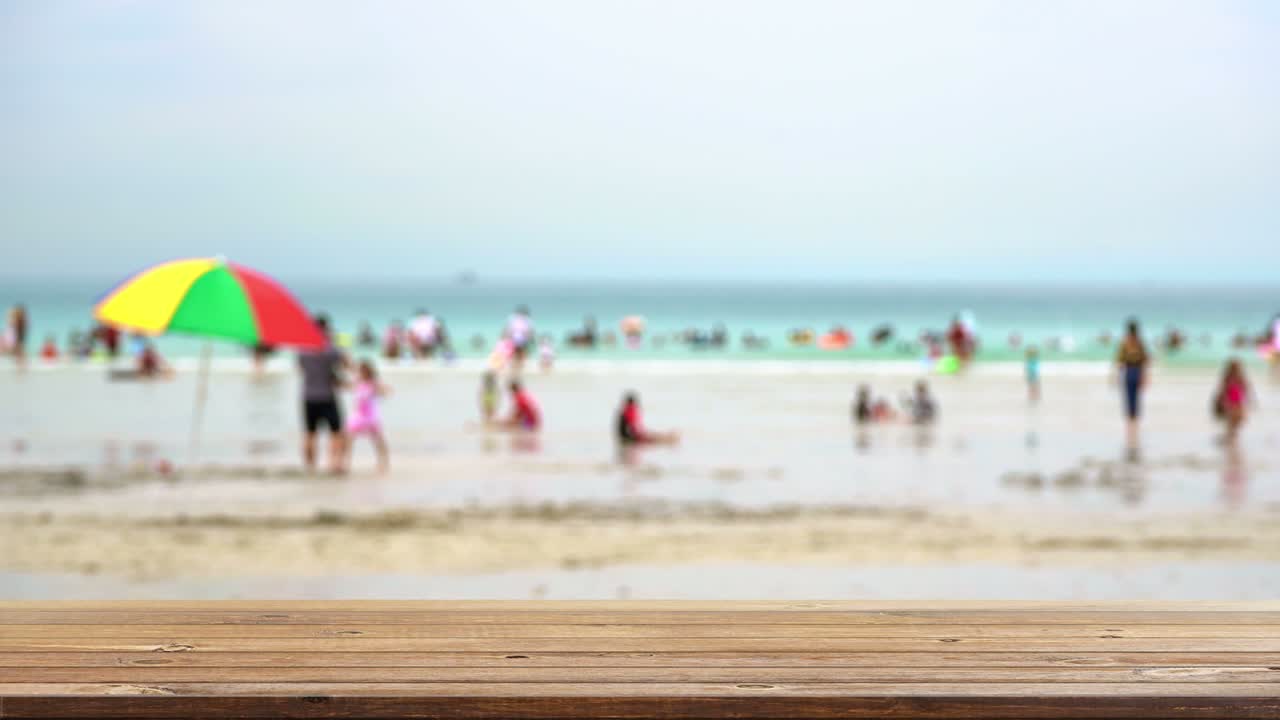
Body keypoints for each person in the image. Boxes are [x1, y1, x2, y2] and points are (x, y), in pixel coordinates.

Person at [299, 314, 349, 473]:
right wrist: (336, 342)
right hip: (327, 396)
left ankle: (310, 466)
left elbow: (301, 369)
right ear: (326, 329)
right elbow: (346, 364)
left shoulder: (303, 349)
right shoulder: (330, 349)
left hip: (308, 395)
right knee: (336, 432)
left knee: (310, 433)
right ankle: (334, 464)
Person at [347, 360, 390, 473]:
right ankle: (346, 462)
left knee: (378, 439)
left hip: (371, 415)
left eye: (363, 371)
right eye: (361, 371)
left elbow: (386, 391)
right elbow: (351, 391)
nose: (361, 373)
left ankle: (383, 462)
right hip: (359, 415)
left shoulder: (373, 383)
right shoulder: (357, 382)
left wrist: (380, 392)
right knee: (350, 438)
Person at [1115, 319, 1150, 448]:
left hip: (1132, 371)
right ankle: (1132, 429)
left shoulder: (1129, 343)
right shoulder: (1134, 343)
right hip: (1133, 371)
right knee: (1132, 400)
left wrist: (1117, 376)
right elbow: (1144, 361)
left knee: (1132, 400)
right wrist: (1145, 377)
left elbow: (1120, 362)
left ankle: (1132, 429)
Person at [1213, 358, 1251, 445]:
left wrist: (1249, 400)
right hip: (1229, 403)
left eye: (1237, 367)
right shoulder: (1227, 378)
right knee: (1231, 420)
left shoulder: (1240, 377)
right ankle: (1229, 437)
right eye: (1234, 367)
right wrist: (1219, 400)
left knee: (1239, 419)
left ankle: (1230, 436)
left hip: (1238, 403)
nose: (1236, 369)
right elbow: (1222, 389)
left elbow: (1246, 389)